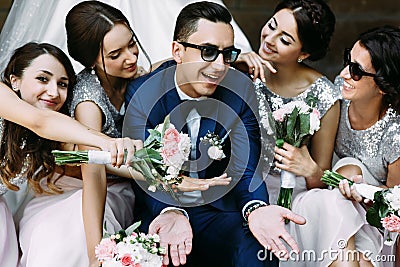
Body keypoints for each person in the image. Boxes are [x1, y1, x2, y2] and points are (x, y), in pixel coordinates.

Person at [124, 2, 306, 266]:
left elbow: (246, 167)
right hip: (162, 210)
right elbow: (144, 171)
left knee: (259, 246)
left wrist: (256, 209)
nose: (220, 66)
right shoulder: (144, 94)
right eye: (208, 52)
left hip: (219, 212)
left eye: (227, 54)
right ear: (178, 51)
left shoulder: (240, 91)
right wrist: (172, 210)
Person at [233, 0, 346, 266]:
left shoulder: (324, 96)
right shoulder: (244, 71)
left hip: (292, 193)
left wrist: (308, 168)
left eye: (284, 39)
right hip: (243, 187)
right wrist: (229, 59)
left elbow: (320, 178)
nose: (269, 40)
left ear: (303, 53)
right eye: (271, 26)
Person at [0, 0, 252, 72]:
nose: (133, 58)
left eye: (132, 44)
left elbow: (152, 71)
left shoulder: (140, 72)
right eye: (115, 54)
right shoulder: (88, 99)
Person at [331, 25, 400, 266]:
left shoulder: (395, 136)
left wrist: (365, 191)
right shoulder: (334, 103)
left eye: (356, 71)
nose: (342, 74)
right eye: (347, 61)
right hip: (329, 204)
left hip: (371, 223)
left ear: (382, 86)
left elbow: (395, 201)